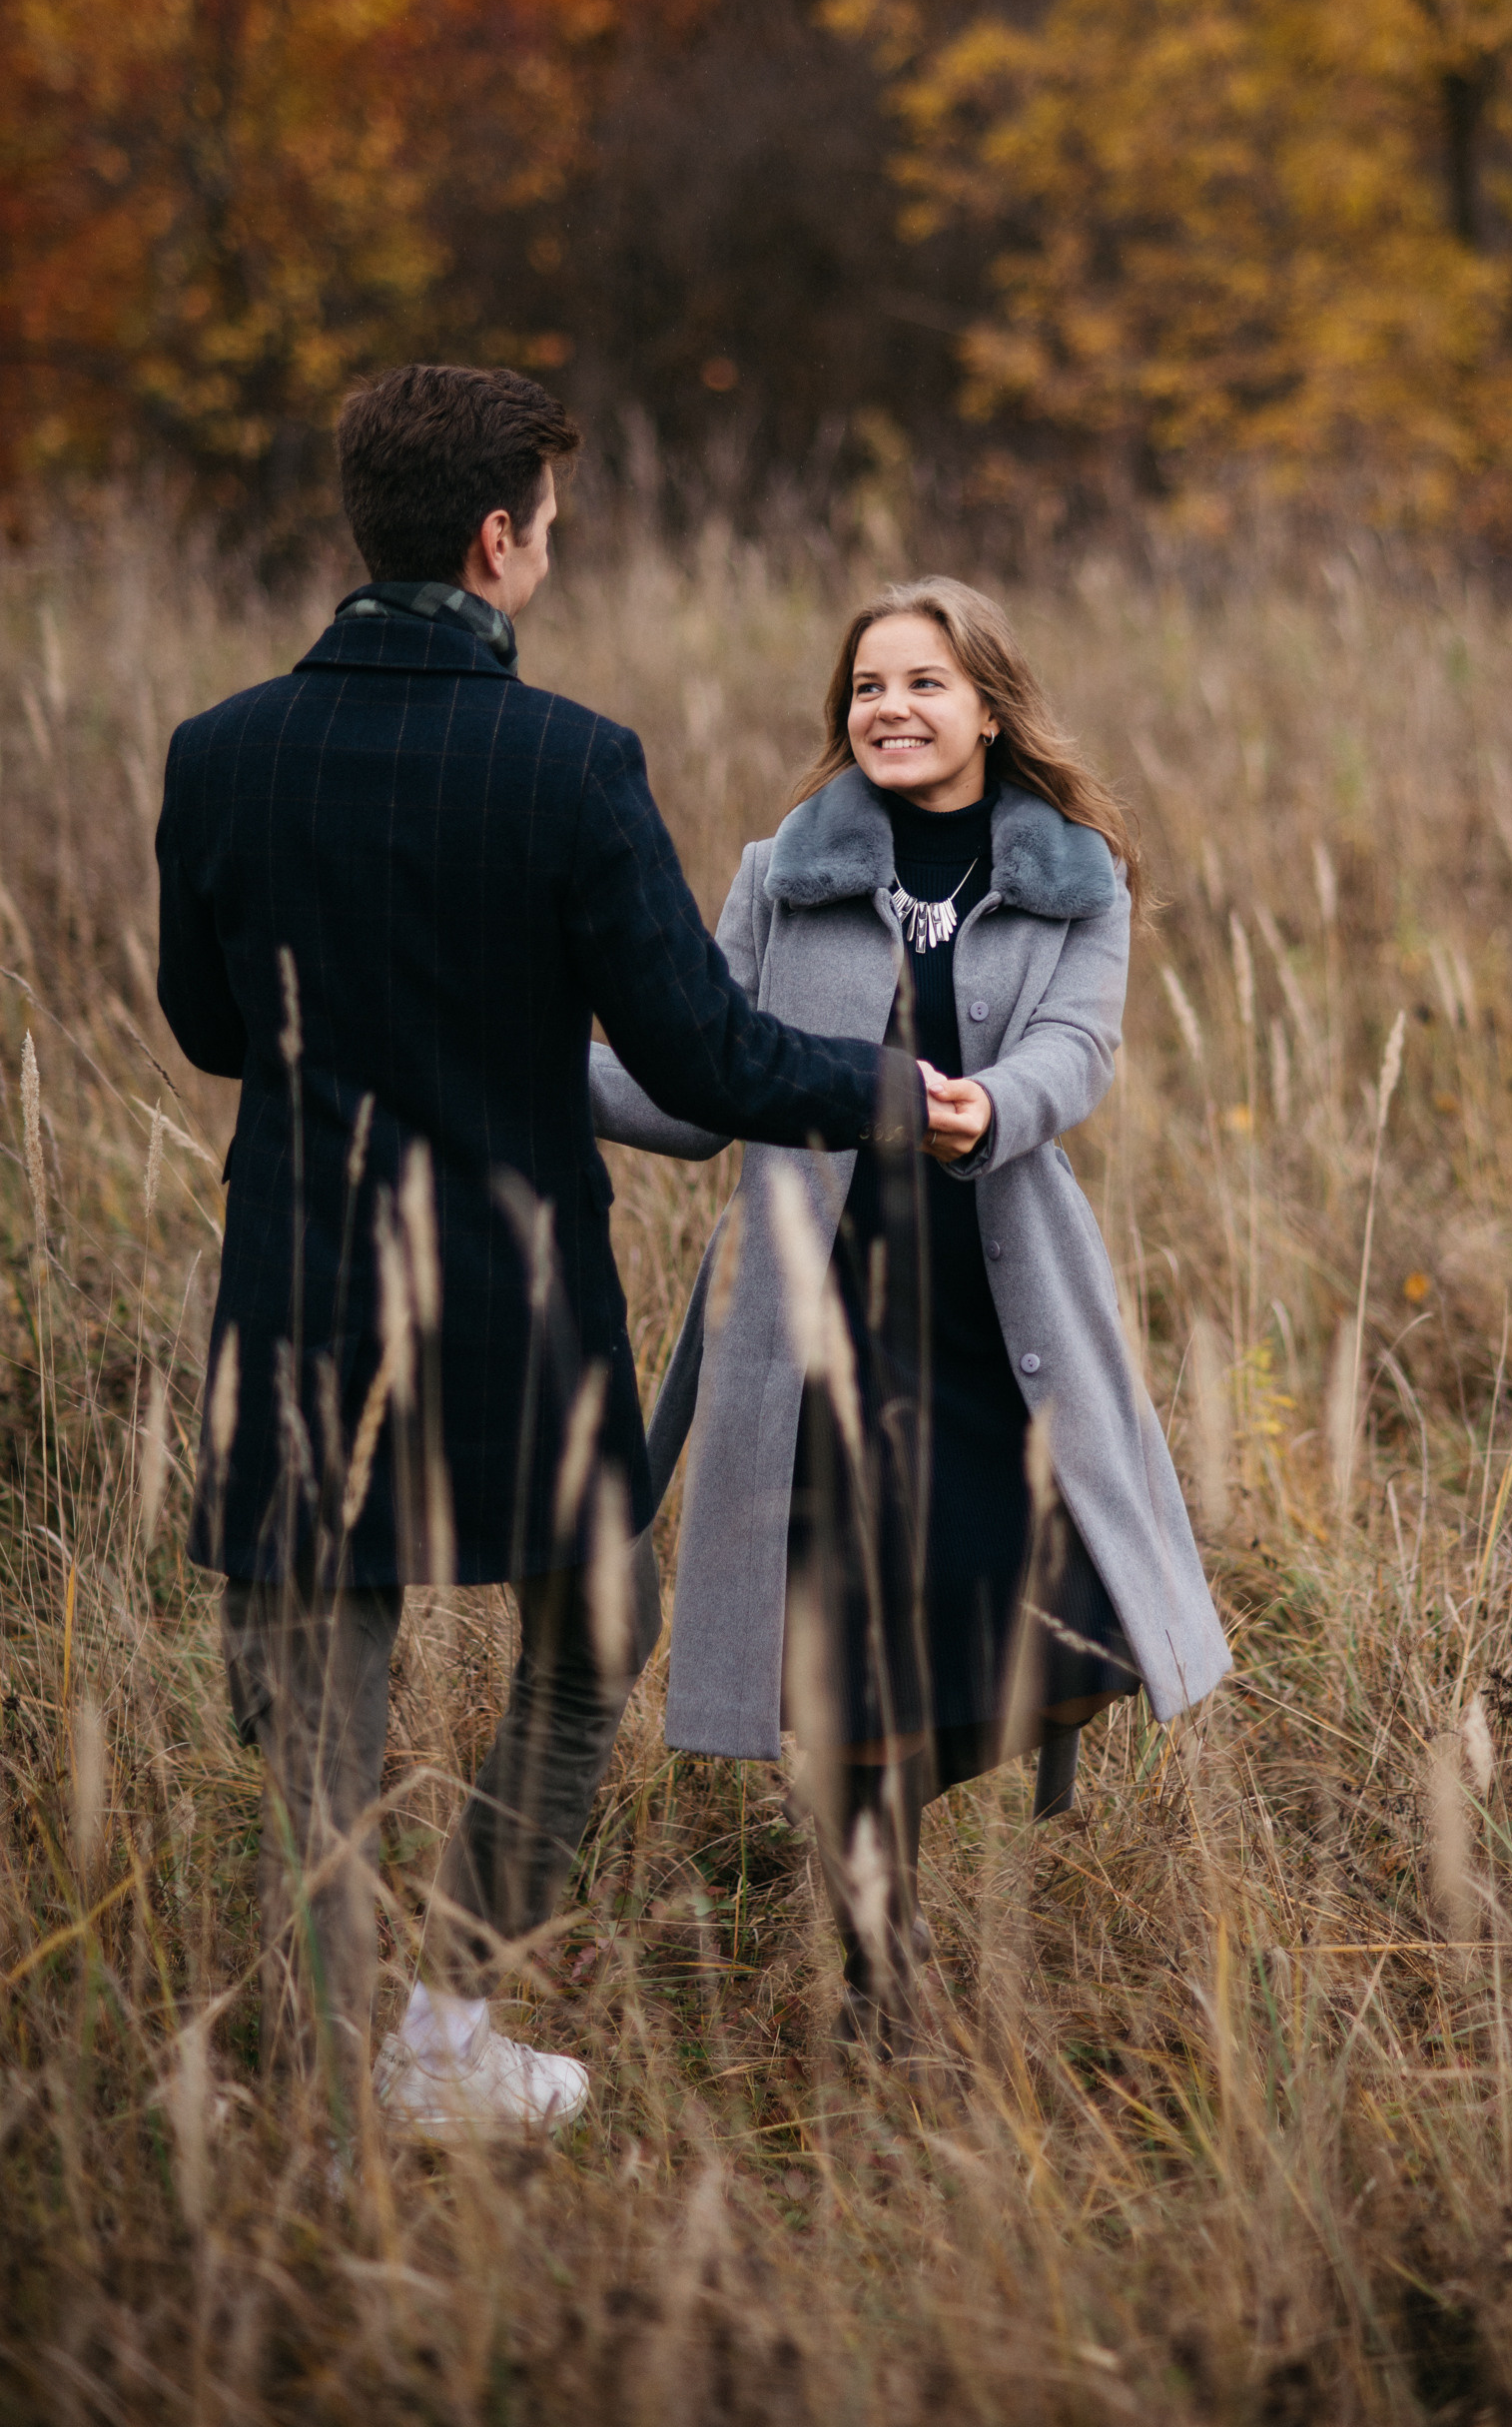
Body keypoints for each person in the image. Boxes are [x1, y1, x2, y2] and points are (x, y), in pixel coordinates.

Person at [155, 365, 944, 2134]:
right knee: (592, 1639)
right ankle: (434, 2035)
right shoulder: (571, 762)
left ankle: (344, 2066)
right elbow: (700, 1058)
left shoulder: (220, 753)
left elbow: (211, 1028)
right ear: (497, 541)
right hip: (518, 1304)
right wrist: (902, 1094)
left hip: (295, 1297)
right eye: (552, 529)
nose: (551, 556)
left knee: (316, 1692)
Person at [592, 576, 1231, 2043]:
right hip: (816, 1331)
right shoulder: (780, 874)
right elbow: (697, 1082)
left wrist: (986, 1105)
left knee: (1056, 1630)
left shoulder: (1078, 878)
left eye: (923, 683)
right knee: (849, 1651)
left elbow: (1077, 1054)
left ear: (988, 709)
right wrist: (513, 1067)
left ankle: (884, 1819)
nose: (889, 706)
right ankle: (882, 1970)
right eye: (867, 686)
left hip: (994, 1326)